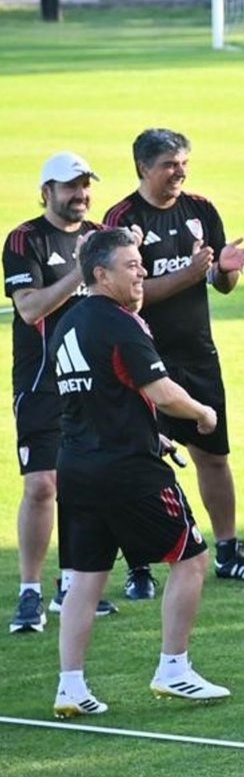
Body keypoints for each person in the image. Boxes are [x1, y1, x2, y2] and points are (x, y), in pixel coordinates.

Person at [50, 227, 229, 717]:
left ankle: (70, 686)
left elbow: (97, 396)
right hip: (129, 471)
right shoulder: (121, 324)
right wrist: (202, 414)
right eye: (131, 265)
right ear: (101, 274)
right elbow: (160, 390)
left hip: (77, 468)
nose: (141, 273)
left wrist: (155, 434)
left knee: (86, 578)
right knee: (191, 558)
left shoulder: (68, 323)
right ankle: (174, 669)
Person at [102, 129, 244, 595]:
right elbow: (127, 296)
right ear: (143, 167)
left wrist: (224, 271)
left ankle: (229, 552)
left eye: (184, 163)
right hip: (141, 357)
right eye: (170, 164)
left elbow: (218, 282)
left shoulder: (201, 210)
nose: (180, 172)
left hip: (198, 353)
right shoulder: (122, 220)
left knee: (214, 455)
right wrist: (192, 274)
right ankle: (139, 567)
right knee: (140, 459)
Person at [7, 153, 113, 633]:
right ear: (46, 191)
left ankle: (71, 582)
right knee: (42, 485)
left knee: (84, 482)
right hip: (42, 382)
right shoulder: (24, 240)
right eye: (71, 186)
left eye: (85, 185)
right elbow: (30, 310)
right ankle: (29, 590)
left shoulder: (103, 236)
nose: (81, 195)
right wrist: (83, 269)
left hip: (92, 381)